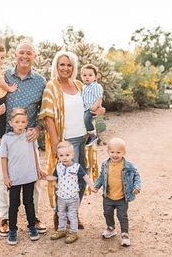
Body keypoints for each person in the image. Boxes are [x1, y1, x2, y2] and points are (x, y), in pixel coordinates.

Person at [0, 41, 47, 237]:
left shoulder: (40, 81)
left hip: (27, 137)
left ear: (34, 56)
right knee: (2, 178)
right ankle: (4, 217)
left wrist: (38, 127)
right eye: (22, 52)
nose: (25, 56)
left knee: (34, 176)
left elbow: (44, 111)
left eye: (29, 53)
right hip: (1, 135)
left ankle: (33, 216)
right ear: (15, 55)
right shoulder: (1, 73)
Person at [39, 50, 104, 230]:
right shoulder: (51, 87)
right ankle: (60, 213)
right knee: (68, 179)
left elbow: (91, 107)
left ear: (74, 67)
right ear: (56, 66)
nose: (66, 68)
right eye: (62, 64)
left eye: (69, 65)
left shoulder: (79, 85)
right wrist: (56, 143)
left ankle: (73, 213)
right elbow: (48, 116)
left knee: (83, 177)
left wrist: (100, 110)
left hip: (85, 138)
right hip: (67, 141)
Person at [0, 107, 43, 245]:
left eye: (23, 122)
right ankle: (12, 229)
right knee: (14, 205)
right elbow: (3, 158)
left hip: (29, 176)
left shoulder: (30, 134)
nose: (20, 124)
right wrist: (6, 177)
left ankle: (31, 227)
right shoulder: (6, 138)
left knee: (28, 202)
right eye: (17, 122)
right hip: (14, 179)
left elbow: (35, 153)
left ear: (27, 122)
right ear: (10, 122)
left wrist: (39, 169)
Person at [94, 137, 141, 247]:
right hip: (108, 196)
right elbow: (101, 176)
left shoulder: (128, 166)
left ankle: (125, 234)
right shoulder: (105, 164)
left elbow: (137, 176)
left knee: (122, 216)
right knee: (107, 213)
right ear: (108, 152)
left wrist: (137, 187)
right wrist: (96, 186)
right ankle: (111, 228)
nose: (115, 155)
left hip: (122, 198)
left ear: (124, 152)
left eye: (118, 152)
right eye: (112, 152)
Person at [46, 141, 96, 244]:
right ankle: (61, 230)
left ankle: (74, 232)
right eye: (61, 155)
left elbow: (85, 177)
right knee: (61, 214)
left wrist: (91, 185)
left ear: (72, 155)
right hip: (61, 197)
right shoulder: (58, 167)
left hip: (73, 197)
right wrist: (45, 177)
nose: (64, 158)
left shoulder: (77, 167)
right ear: (58, 156)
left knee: (72, 215)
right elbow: (54, 177)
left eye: (67, 155)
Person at [80, 63, 104, 147]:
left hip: (92, 108)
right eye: (84, 75)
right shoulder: (84, 87)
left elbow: (99, 97)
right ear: (81, 77)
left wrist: (96, 105)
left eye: (90, 75)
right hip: (86, 108)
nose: (87, 77)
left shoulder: (96, 86)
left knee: (86, 119)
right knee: (84, 119)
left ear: (95, 77)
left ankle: (92, 135)